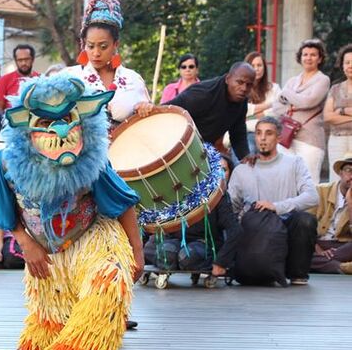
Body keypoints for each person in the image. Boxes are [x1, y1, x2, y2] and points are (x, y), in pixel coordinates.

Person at [0, 73, 143, 350]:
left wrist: (137, 256)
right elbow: (3, 211)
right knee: (49, 304)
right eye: (45, 120)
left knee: (109, 282)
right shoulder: (3, 164)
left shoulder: (92, 163)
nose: (58, 130)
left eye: (66, 119)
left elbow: (124, 204)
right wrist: (26, 242)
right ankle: (42, 342)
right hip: (44, 247)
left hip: (93, 237)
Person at [227, 116, 319, 285]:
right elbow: (231, 207)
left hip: (286, 223)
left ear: (278, 137)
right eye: (259, 133)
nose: (262, 138)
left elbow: (312, 197)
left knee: (305, 220)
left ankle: (297, 273)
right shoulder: (242, 169)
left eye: (269, 133)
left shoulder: (294, 163)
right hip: (256, 230)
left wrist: (276, 206)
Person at [143, 154, 241, 277]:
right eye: (215, 168)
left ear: (230, 174)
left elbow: (235, 230)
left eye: (224, 170)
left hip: (204, 244)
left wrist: (221, 262)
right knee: (166, 253)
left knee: (187, 256)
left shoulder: (220, 197)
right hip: (177, 242)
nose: (218, 173)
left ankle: (183, 262)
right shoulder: (183, 192)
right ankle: (170, 263)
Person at [63, 0, 151, 128]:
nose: (96, 53)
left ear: (116, 44)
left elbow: (148, 124)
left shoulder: (133, 79)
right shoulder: (69, 77)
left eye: (103, 46)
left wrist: (145, 109)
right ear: (84, 44)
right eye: (90, 46)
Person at [167, 62, 255, 161]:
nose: (244, 88)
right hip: (173, 145)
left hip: (201, 151)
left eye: (249, 85)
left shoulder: (241, 101)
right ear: (228, 79)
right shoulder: (203, 94)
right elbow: (168, 109)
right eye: (240, 82)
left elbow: (238, 133)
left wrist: (245, 157)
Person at [272, 39, 331, 185]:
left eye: (313, 55)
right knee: (285, 181)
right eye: (305, 54)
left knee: (309, 183)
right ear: (300, 57)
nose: (308, 58)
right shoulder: (293, 80)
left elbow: (309, 101)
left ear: (320, 58)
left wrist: (286, 94)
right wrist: (293, 103)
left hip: (310, 140)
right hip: (287, 138)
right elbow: (276, 107)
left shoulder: (323, 80)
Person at [309, 152, 352, 274]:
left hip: (343, 247)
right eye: (349, 170)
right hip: (317, 243)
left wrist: (350, 203)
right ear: (340, 173)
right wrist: (318, 250)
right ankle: (342, 267)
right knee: (296, 247)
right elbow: (305, 224)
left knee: (300, 260)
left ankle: (315, 263)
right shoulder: (320, 191)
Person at [322, 43, 352, 181]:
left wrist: (338, 112)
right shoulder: (335, 88)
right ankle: (336, 204)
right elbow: (327, 116)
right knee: (336, 179)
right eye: (347, 62)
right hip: (336, 140)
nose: (350, 66)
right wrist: (346, 111)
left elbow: (333, 115)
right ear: (342, 65)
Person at [244, 51, 281, 154]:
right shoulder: (242, 89)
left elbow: (279, 110)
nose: (256, 69)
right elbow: (241, 111)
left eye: (259, 65)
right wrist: (269, 105)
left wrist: (251, 115)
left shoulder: (274, 88)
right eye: (253, 65)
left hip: (270, 134)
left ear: (264, 67)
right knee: (249, 153)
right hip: (247, 133)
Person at [0, 44, 40, 112]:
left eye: (26, 59)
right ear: (15, 61)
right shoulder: (4, 80)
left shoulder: (40, 80)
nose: (23, 63)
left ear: (33, 59)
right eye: (20, 60)